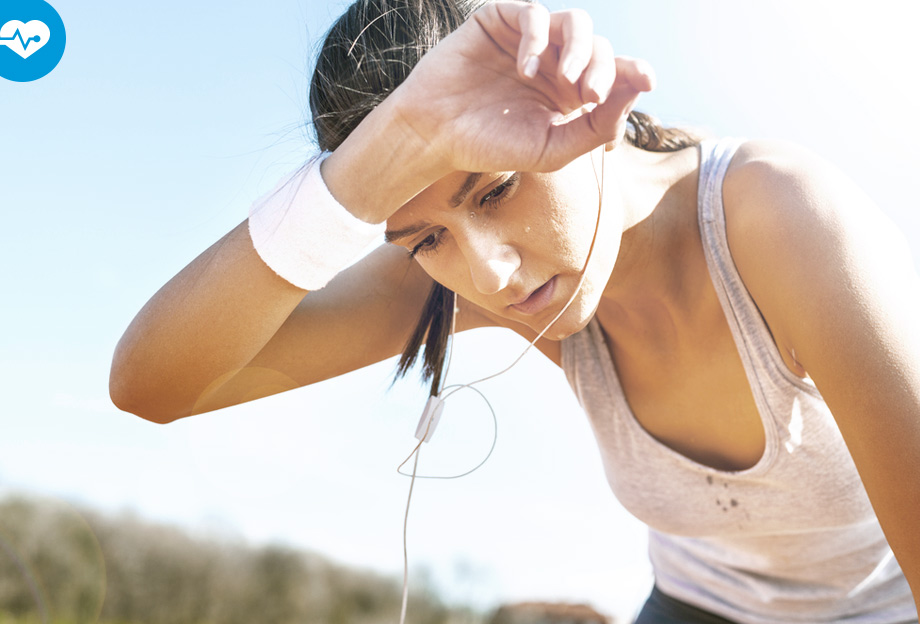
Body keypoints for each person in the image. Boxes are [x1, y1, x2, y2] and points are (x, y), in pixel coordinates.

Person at [109, 0, 920, 621]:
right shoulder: (465, 274)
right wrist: (352, 185)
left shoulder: (782, 219)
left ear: (578, 104)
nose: (488, 272)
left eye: (495, 189)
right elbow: (154, 384)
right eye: (424, 237)